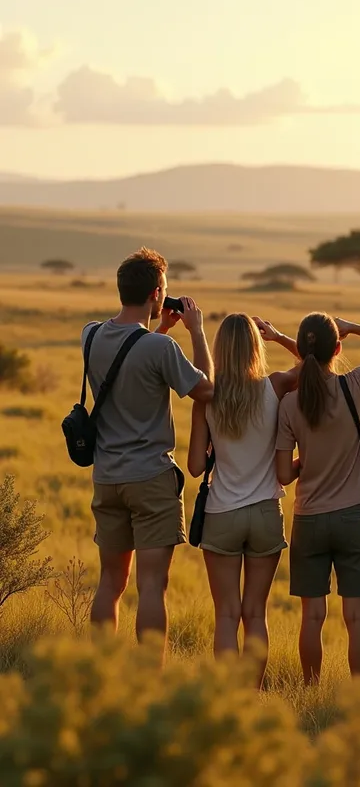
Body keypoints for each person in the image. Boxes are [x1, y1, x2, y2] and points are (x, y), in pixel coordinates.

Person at [83, 247, 214, 660]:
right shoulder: (160, 349)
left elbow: (129, 361)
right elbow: (206, 389)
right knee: (152, 585)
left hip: (107, 477)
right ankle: (147, 679)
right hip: (151, 479)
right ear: (158, 294)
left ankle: (99, 673)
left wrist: (160, 331)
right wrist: (194, 331)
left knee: (111, 582)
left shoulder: (90, 334)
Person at [276, 313, 360, 684]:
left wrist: (309, 460)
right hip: (352, 517)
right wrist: (352, 326)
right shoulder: (357, 385)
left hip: (309, 520)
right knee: (356, 618)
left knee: (312, 618)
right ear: (338, 349)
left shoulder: (289, 404)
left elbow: (284, 474)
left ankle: (311, 689)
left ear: (300, 354)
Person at [188, 314, 300, 687]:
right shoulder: (277, 385)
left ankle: (228, 698)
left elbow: (193, 466)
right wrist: (281, 337)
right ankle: (252, 696)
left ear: (219, 350)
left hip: (222, 513)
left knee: (226, 616)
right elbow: (317, 366)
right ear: (257, 346)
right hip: (267, 512)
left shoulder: (206, 397)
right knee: (256, 614)